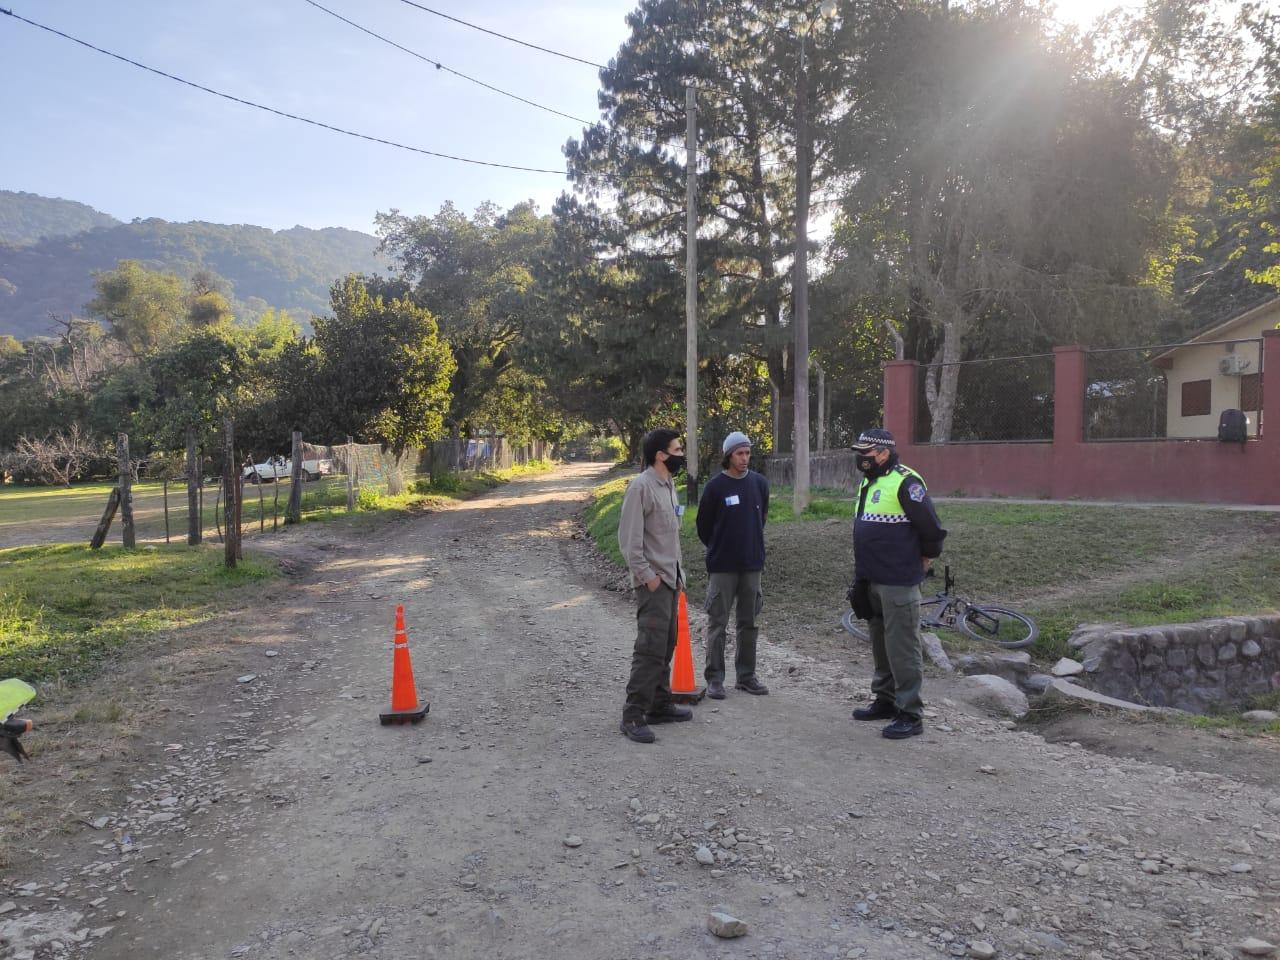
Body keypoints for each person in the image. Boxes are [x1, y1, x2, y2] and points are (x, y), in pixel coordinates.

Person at [847, 428, 946, 740]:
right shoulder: (870, 480)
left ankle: (910, 713)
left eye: (866, 452)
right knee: (880, 645)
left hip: (898, 581)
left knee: (902, 647)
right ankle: (886, 700)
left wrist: (927, 558)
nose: (860, 458)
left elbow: (931, 528)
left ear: (883, 453)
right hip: (871, 578)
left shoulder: (907, 481)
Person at [616, 428, 694, 744]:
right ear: (661, 455)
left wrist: (676, 575)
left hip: (671, 578)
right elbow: (629, 541)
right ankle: (633, 715)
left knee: (667, 644)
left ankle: (659, 705)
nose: (680, 454)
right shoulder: (641, 487)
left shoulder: (668, 485)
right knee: (649, 649)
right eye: (677, 449)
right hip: (654, 583)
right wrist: (648, 577)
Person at [696, 431, 770, 700]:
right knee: (718, 622)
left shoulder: (759, 484)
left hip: (752, 565)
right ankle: (715, 678)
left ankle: (746, 676)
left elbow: (761, 520)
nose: (745, 458)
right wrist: (721, 547)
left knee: (748, 622)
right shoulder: (715, 487)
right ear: (728, 455)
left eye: (748, 453)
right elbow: (703, 527)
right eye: (740, 453)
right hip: (722, 566)